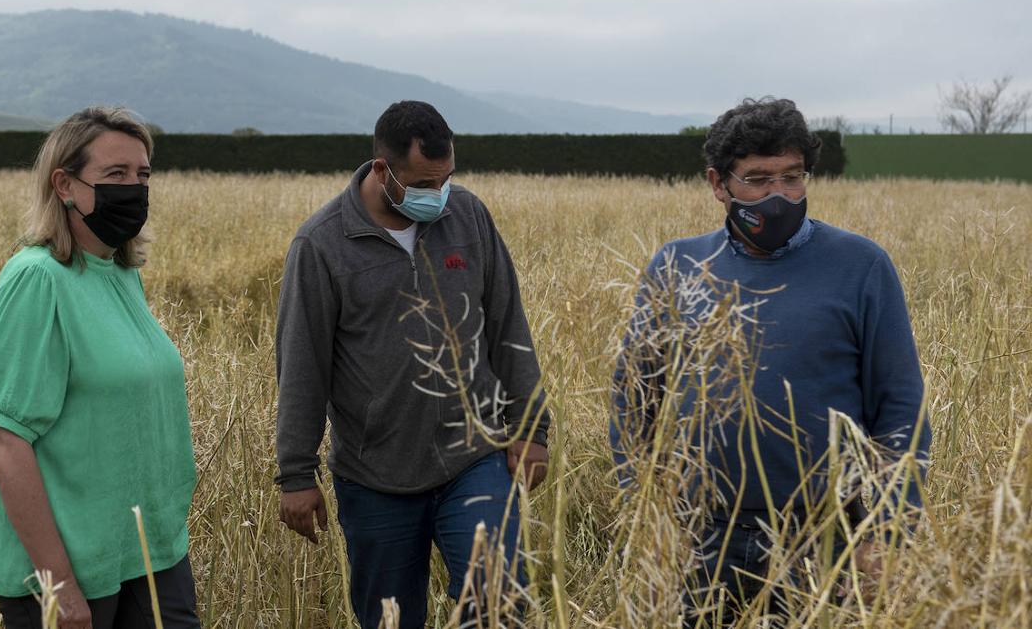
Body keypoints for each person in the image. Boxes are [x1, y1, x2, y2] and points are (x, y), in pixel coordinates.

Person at [610, 97, 931, 621]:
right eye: (758, 180)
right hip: (699, 536)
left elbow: (900, 407)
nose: (778, 196)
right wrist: (646, 514)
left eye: (792, 177)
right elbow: (634, 397)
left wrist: (886, 532)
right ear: (718, 184)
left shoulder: (861, 266)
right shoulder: (679, 265)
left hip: (826, 533)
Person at [275, 100, 551, 628]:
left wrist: (533, 427)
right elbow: (301, 364)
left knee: (499, 605)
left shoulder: (467, 216)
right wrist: (295, 474)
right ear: (382, 170)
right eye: (423, 183)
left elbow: (507, 324)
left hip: (475, 457)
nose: (437, 195)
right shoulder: (322, 244)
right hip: (375, 476)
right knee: (390, 620)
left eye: (445, 180)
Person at [0, 106, 201, 629]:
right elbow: (5, 439)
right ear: (65, 185)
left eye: (142, 175)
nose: (134, 188)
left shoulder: (118, 273)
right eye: (114, 175)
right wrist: (59, 586)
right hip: (70, 571)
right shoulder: (37, 279)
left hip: (148, 554)